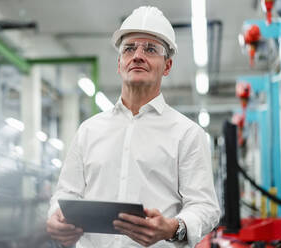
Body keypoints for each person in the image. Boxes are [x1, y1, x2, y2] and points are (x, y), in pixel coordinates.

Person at [46, 6, 220, 248]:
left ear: (167, 66)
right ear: (119, 64)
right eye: (129, 48)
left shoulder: (187, 134)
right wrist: (56, 218)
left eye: (150, 49)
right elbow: (65, 195)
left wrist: (173, 227)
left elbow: (205, 207)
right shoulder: (89, 130)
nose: (138, 55)